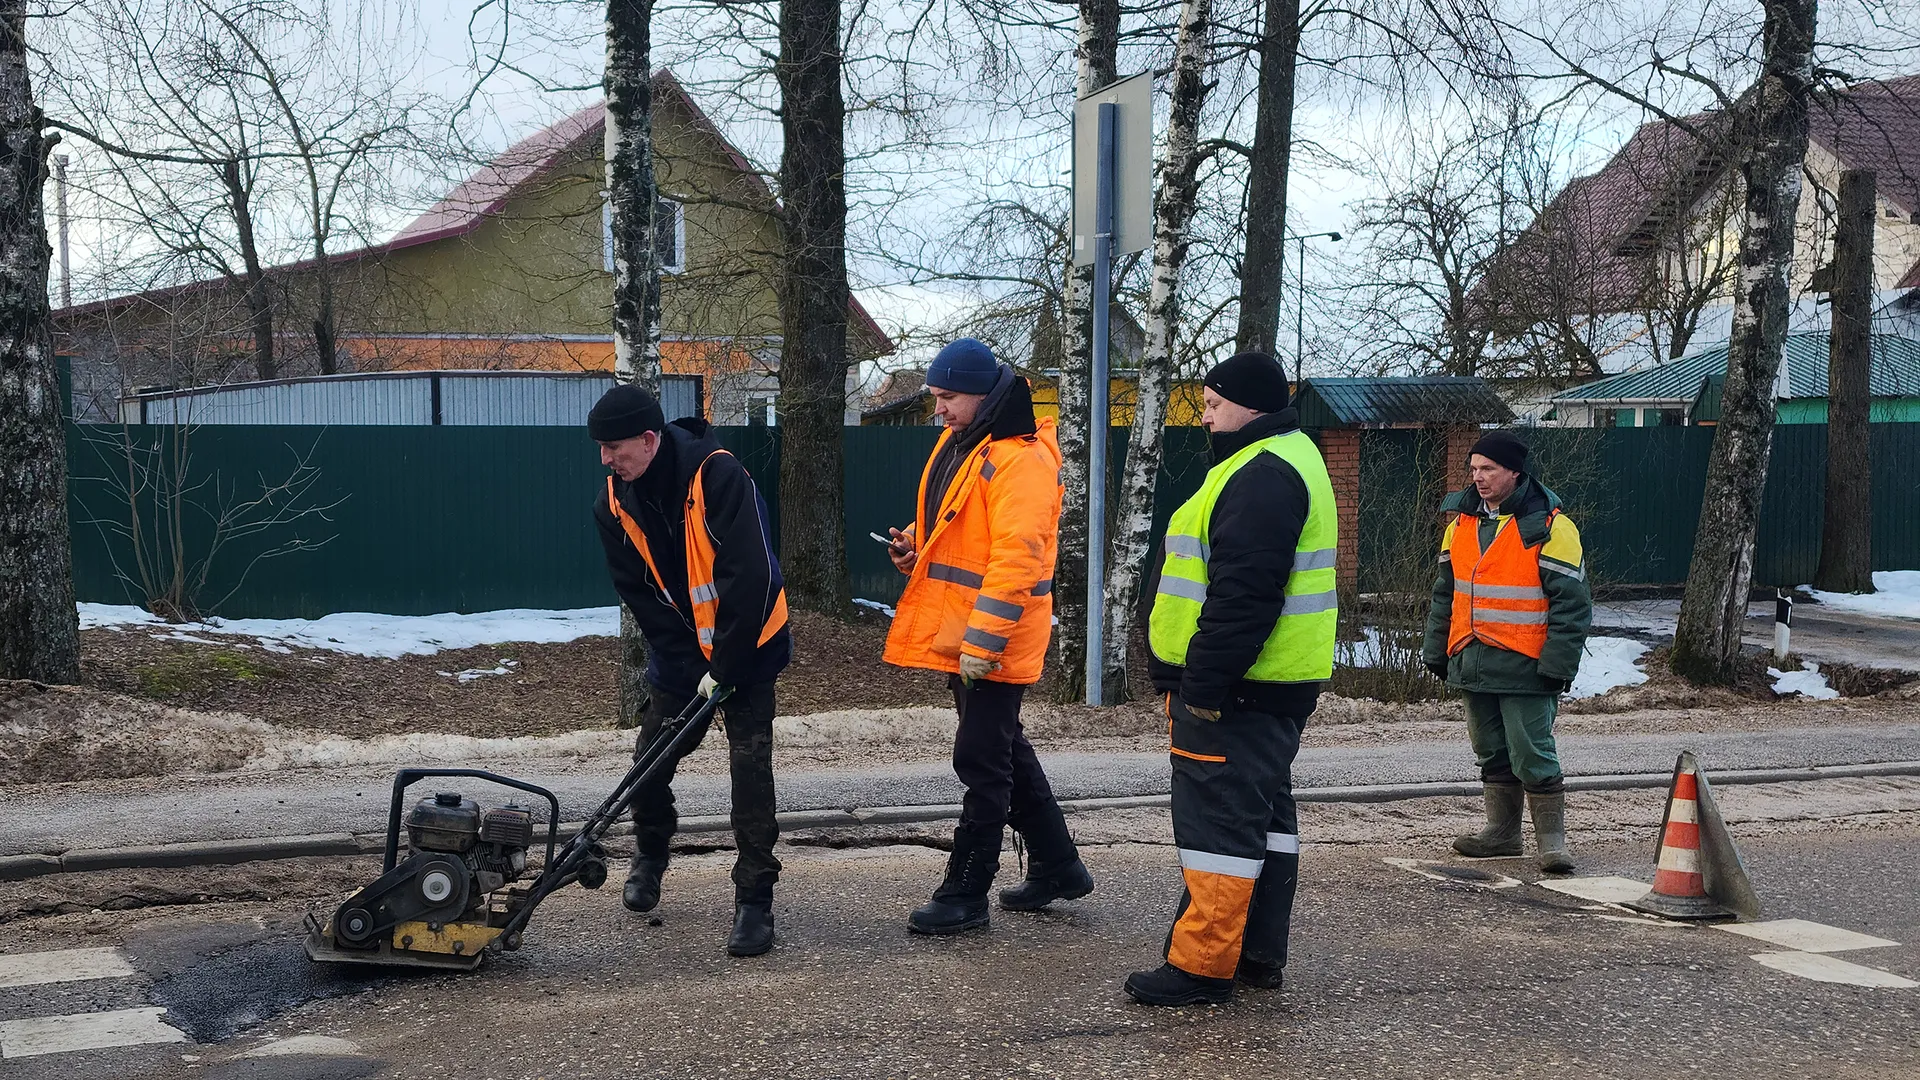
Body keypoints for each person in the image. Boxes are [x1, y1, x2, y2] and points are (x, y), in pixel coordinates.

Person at [1124, 351, 1337, 1008]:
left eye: (1214, 405)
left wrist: (1204, 687)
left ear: (1249, 404)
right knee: (1262, 824)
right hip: (1270, 684)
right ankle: (1254, 955)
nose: (1207, 418)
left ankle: (1203, 966)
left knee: (1218, 824)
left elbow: (1244, 595)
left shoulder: (1264, 471)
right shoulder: (1289, 458)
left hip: (1235, 689)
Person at [881, 337, 1092, 935]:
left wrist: (984, 645)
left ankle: (967, 890)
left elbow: (1017, 561)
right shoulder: (967, 443)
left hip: (993, 638)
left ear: (980, 394)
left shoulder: (1019, 459)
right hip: (968, 632)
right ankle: (1058, 866)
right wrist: (914, 552)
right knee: (1002, 749)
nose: (938, 409)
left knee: (981, 758)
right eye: (936, 397)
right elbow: (959, 537)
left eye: (947, 397)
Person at [589, 383, 792, 957]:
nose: (606, 460)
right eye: (601, 449)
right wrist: (688, 664)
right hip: (683, 656)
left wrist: (726, 664)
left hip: (749, 644)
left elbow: (748, 576)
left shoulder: (718, 475)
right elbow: (640, 594)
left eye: (615, 448)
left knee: (749, 774)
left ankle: (755, 900)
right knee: (649, 764)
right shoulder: (613, 502)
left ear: (650, 440)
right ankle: (651, 854)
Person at [1420, 430, 1591, 874]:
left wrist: (1558, 665)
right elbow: (1446, 593)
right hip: (1472, 658)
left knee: (1531, 752)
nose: (1478, 477)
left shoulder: (1552, 527)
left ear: (1514, 472)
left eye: (1488, 469)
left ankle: (1552, 844)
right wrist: (1437, 649)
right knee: (1491, 750)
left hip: (1526, 665)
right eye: (1474, 469)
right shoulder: (1459, 524)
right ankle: (1503, 834)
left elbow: (1572, 605)